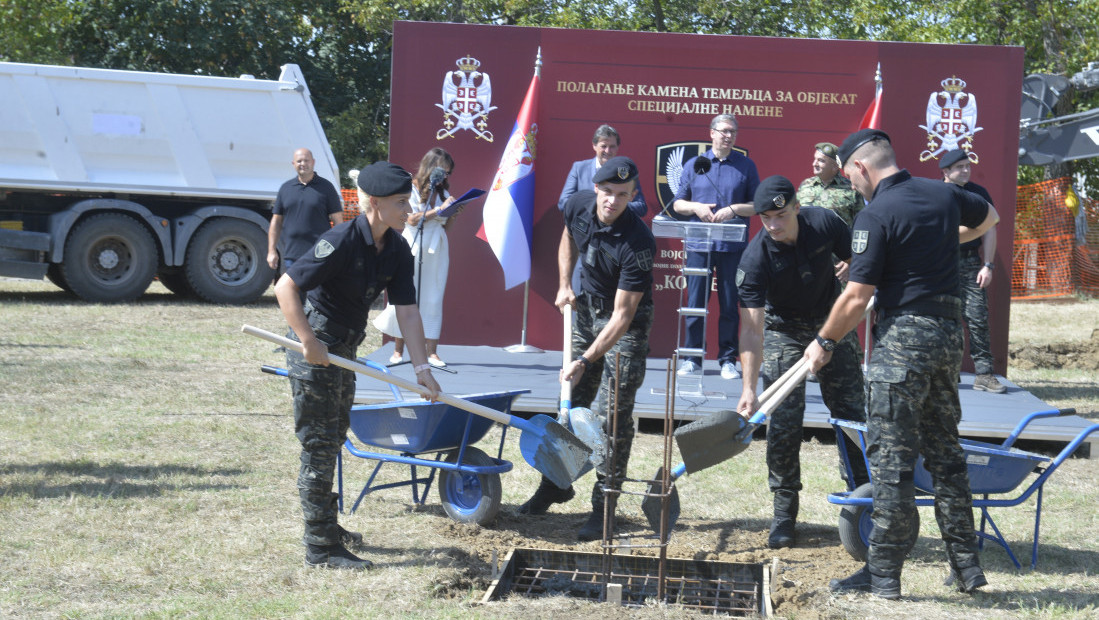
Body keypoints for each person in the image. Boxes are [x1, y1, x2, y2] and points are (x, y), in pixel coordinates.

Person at [807, 129, 999, 599]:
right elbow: (990, 217)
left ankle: (884, 574)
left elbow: (855, 297)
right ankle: (968, 568)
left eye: (852, 177)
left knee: (891, 462)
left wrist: (823, 341)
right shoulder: (945, 194)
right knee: (946, 456)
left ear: (861, 169)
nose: (853, 186)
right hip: (949, 337)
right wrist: (939, 239)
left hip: (904, 344)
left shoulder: (875, 215)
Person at [274, 161, 441, 570]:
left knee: (334, 437)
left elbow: (408, 312)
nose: (409, 210)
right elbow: (286, 286)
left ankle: (327, 526)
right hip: (316, 348)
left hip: (344, 349)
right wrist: (308, 342)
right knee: (318, 443)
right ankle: (320, 547)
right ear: (375, 203)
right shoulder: (342, 239)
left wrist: (422, 370)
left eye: (410, 202)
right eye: (402, 203)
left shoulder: (398, 248)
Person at [518, 156, 656, 542]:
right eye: (608, 192)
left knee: (611, 416)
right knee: (569, 403)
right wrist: (565, 282)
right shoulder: (578, 203)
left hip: (624, 326)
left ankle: (604, 506)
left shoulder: (639, 242)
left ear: (632, 196)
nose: (613, 201)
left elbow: (623, 316)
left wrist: (584, 358)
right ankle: (556, 485)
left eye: (623, 195)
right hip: (585, 312)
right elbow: (567, 236)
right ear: (597, 188)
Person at [735, 175, 870, 550]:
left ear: (797, 206)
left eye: (780, 214)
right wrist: (748, 388)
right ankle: (783, 515)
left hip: (832, 323)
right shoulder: (755, 257)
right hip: (785, 331)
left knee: (851, 416)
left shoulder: (825, 222)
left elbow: (861, 261)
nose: (774, 225)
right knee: (783, 421)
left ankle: (865, 503)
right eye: (766, 218)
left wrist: (851, 266)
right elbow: (750, 331)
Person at [672, 113, 760, 380]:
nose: (728, 136)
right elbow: (677, 204)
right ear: (711, 133)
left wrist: (733, 209)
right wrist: (696, 207)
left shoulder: (745, 165)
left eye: (732, 131)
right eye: (723, 131)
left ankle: (727, 360)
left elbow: (757, 205)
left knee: (730, 304)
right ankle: (691, 358)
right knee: (696, 301)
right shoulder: (696, 164)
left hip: (732, 246)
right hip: (699, 243)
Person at [373, 148, 461, 368]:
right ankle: (398, 349)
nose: (446, 177)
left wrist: (454, 212)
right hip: (413, 248)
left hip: (436, 248)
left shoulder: (442, 192)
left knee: (433, 298)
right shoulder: (410, 188)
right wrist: (439, 210)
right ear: (432, 169)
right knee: (405, 296)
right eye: (443, 172)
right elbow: (410, 219)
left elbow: (446, 225)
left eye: (449, 173)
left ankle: (432, 352)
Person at [940, 148, 1006, 394]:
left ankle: (985, 374)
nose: (966, 170)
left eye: (968, 166)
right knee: (945, 319)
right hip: (941, 264)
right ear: (946, 171)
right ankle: (947, 372)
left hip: (969, 264)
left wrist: (987, 265)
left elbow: (990, 229)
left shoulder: (978, 194)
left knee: (977, 318)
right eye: (960, 167)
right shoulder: (936, 194)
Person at [558, 125, 649, 292]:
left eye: (612, 146)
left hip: (617, 247)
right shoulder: (579, 168)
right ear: (594, 146)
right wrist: (596, 204)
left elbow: (641, 207)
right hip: (584, 245)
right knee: (580, 303)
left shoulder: (627, 173)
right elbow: (564, 202)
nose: (608, 150)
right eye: (603, 146)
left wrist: (615, 206)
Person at [268, 148, 344, 274]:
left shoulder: (326, 188)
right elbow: (276, 222)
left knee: (316, 294)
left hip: (319, 256)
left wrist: (338, 250)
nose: (303, 164)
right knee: (291, 293)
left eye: (306, 160)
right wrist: (271, 251)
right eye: (299, 161)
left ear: (313, 162)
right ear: (293, 164)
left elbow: (338, 223)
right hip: (291, 257)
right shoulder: (286, 188)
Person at [796, 142, 862, 227]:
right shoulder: (805, 185)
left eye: (821, 161)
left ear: (835, 166)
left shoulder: (852, 188)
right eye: (815, 159)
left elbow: (860, 221)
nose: (814, 164)